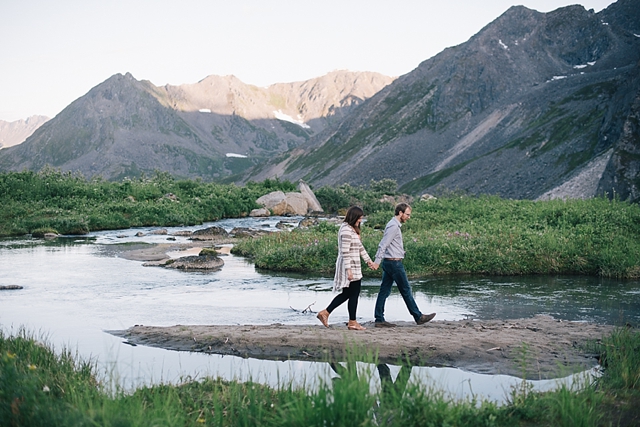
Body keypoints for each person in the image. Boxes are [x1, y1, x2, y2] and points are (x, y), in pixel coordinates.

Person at [372, 203, 435, 327]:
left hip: (390, 262)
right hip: (394, 263)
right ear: (400, 213)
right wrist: (376, 262)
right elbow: (383, 244)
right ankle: (418, 316)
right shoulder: (393, 226)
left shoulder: (393, 225)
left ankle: (379, 319)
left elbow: (390, 245)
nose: (408, 217)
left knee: (384, 291)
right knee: (406, 290)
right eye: (407, 214)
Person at [317, 206, 376, 331]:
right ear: (353, 217)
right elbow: (345, 252)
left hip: (354, 265)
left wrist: (368, 261)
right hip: (349, 266)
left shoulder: (351, 229)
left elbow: (360, 247)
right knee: (353, 294)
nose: (360, 221)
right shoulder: (346, 230)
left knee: (348, 294)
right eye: (359, 219)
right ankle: (352, 322)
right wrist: (349, 270)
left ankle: (326, 313)